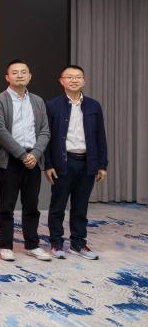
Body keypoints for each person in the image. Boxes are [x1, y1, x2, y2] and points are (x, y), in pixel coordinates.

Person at [44, 65, 109, 260]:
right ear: (61, 81)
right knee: (58, 206)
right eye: (69, 77)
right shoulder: (52, 105)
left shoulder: (94, 106)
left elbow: (100, 136)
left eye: (78, 77)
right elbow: (46, 137)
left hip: (87, 162)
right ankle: (56, 242)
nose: (74, 80)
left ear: (84, 81)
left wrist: (102, 164)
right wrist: (48, 164)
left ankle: (78, 243)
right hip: (63, 162)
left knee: (81, 206)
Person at [0, 59, 52, 262]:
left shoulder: (38, 101)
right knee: (7, 205)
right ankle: (6, 246)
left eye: (23, 72)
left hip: (33, 159)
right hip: (9, 160)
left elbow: (45, 131)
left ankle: (32, 245)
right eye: (15, 72)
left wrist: (35, 154)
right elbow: (0, 132)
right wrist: (22, 155)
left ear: (29, 76)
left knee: (32, 205)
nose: (19, 75)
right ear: (7, 77)